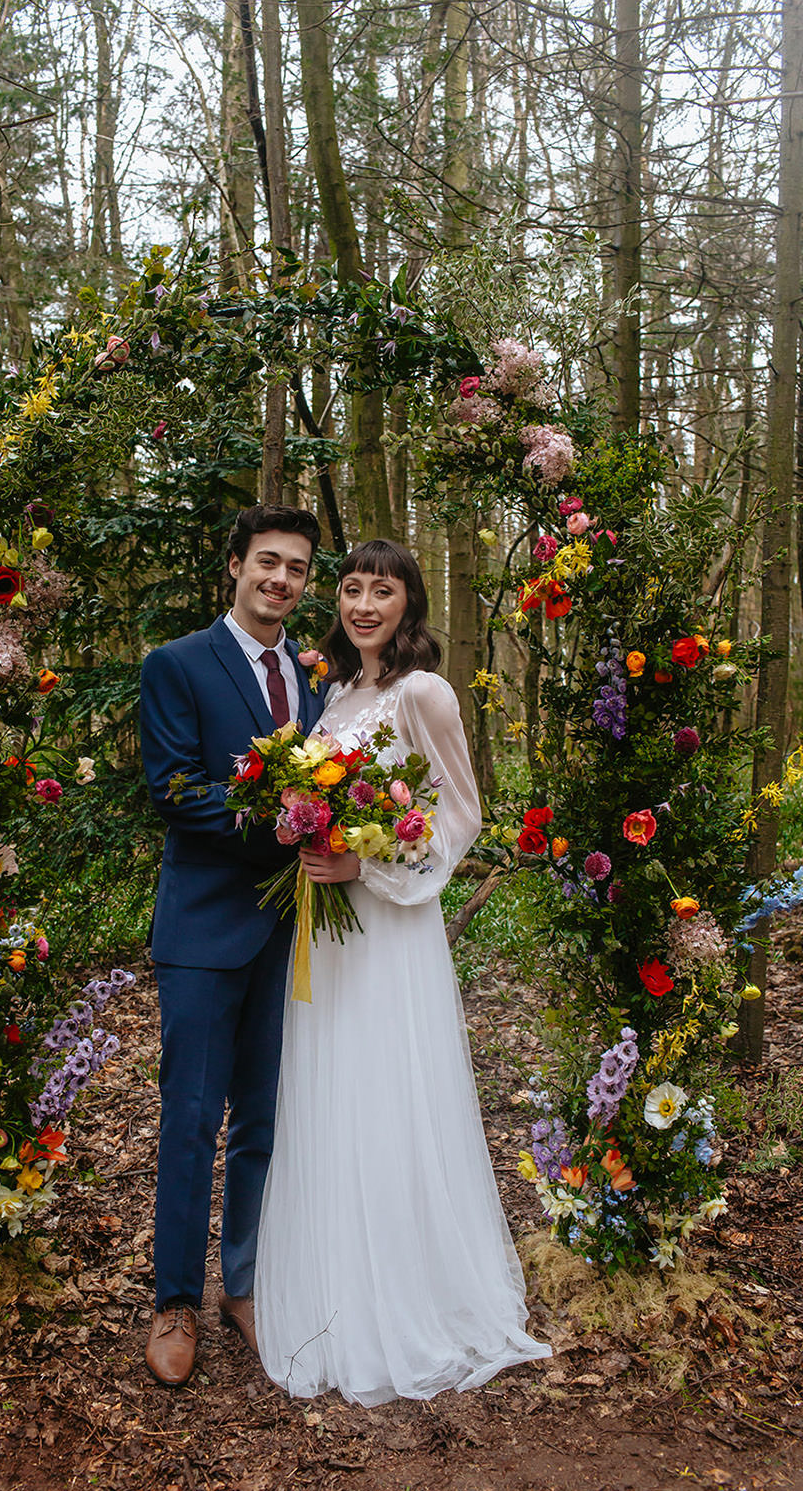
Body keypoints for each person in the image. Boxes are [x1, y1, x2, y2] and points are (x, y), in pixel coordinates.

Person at [254, 539, 551, 1404]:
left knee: (387, 1089)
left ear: (409, 603)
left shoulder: (424, 692)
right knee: (334, 1091)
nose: (363, 605)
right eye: (351, 589)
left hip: (389, 925)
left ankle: (413, 1295)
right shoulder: (337, 694)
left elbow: (460, 814)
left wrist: (371, 866)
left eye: (381, 591)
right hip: (329, 935)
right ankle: (337, 1289)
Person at [138, 503, 325, 1386]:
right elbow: (176, 790)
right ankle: (175, 1300)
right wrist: (284, 823)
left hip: (296, 931)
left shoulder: (316, 677)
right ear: (236, 566)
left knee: (264, 1119)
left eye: (296, 568)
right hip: (205, 930)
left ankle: (243, 1286)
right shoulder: (178, 664)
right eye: (267, 562)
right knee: (191, 1120)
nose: (280, 579)